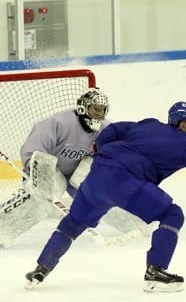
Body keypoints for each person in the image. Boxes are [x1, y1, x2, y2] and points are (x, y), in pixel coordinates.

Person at [24, 101, 186, 293]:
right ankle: (156, 270)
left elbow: (114, 130)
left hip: (96, 176)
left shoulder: (149, 124)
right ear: (182, 125)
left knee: (73, 223)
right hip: (125, 181)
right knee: (172, 213)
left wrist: (100, 149)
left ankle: (42, 267)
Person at [0, 88, 112, 248]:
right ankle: (3, 228)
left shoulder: (106, 129)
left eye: (102, 110)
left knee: (101, 193)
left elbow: (115, 154)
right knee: (41, 199)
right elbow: (34, 150)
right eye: (95, 109)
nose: (99, 114)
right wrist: (39, 174)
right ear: (83, 107)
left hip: (77, 170)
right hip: (50, 168)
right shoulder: (59, 123)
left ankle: (132, 222)